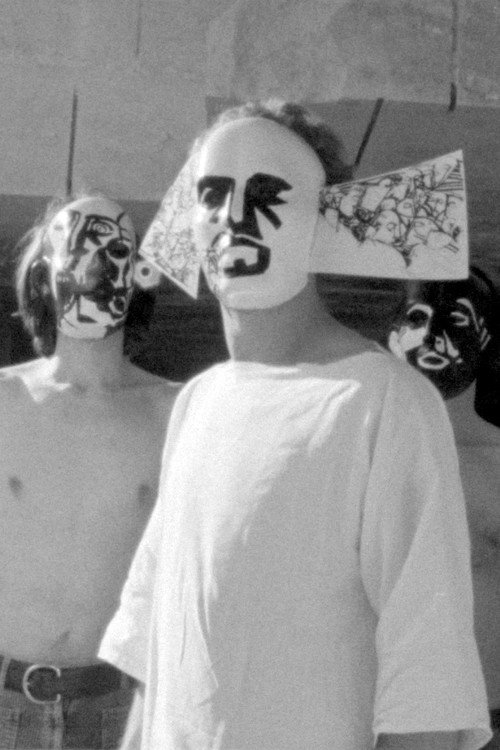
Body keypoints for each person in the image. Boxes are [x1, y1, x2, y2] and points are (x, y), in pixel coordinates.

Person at [100, 100, 491, 750]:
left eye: (267, 193)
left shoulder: (385, 404)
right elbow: (156, 647)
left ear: (322, 216)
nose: (234, 218)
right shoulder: (197, 402)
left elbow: (428, 686)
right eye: (212, 194)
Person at [0, 195, 179, 748]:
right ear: (43, 276)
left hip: (120, 711)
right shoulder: (5, 399)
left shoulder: (175, 412)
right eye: (75, 249)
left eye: (115, 251)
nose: (95, 265)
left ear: (141, 274)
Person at [387, 269, 500, 749]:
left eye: (455, 322)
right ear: (393, 333)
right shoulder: (360, 450)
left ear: (485, 337)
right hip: (384, 717)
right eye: (417, 318)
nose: (432, 337)